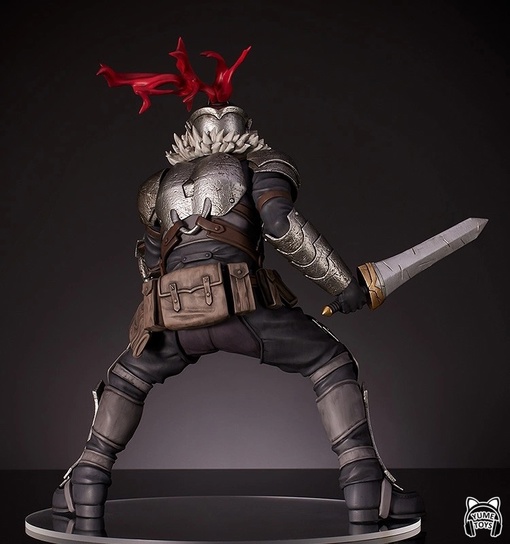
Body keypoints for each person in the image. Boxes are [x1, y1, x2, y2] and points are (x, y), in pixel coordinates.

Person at [52, 38, 425, 525]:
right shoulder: (259, 166)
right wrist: (342, 285)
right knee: (331, 362)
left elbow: (150, 264)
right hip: (244, 311)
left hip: (173, 316)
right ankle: (366, 487)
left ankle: (85, 481)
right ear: (242, 130)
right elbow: (282, 227)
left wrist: (166, 315)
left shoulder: (160, 186)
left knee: (126, 378)